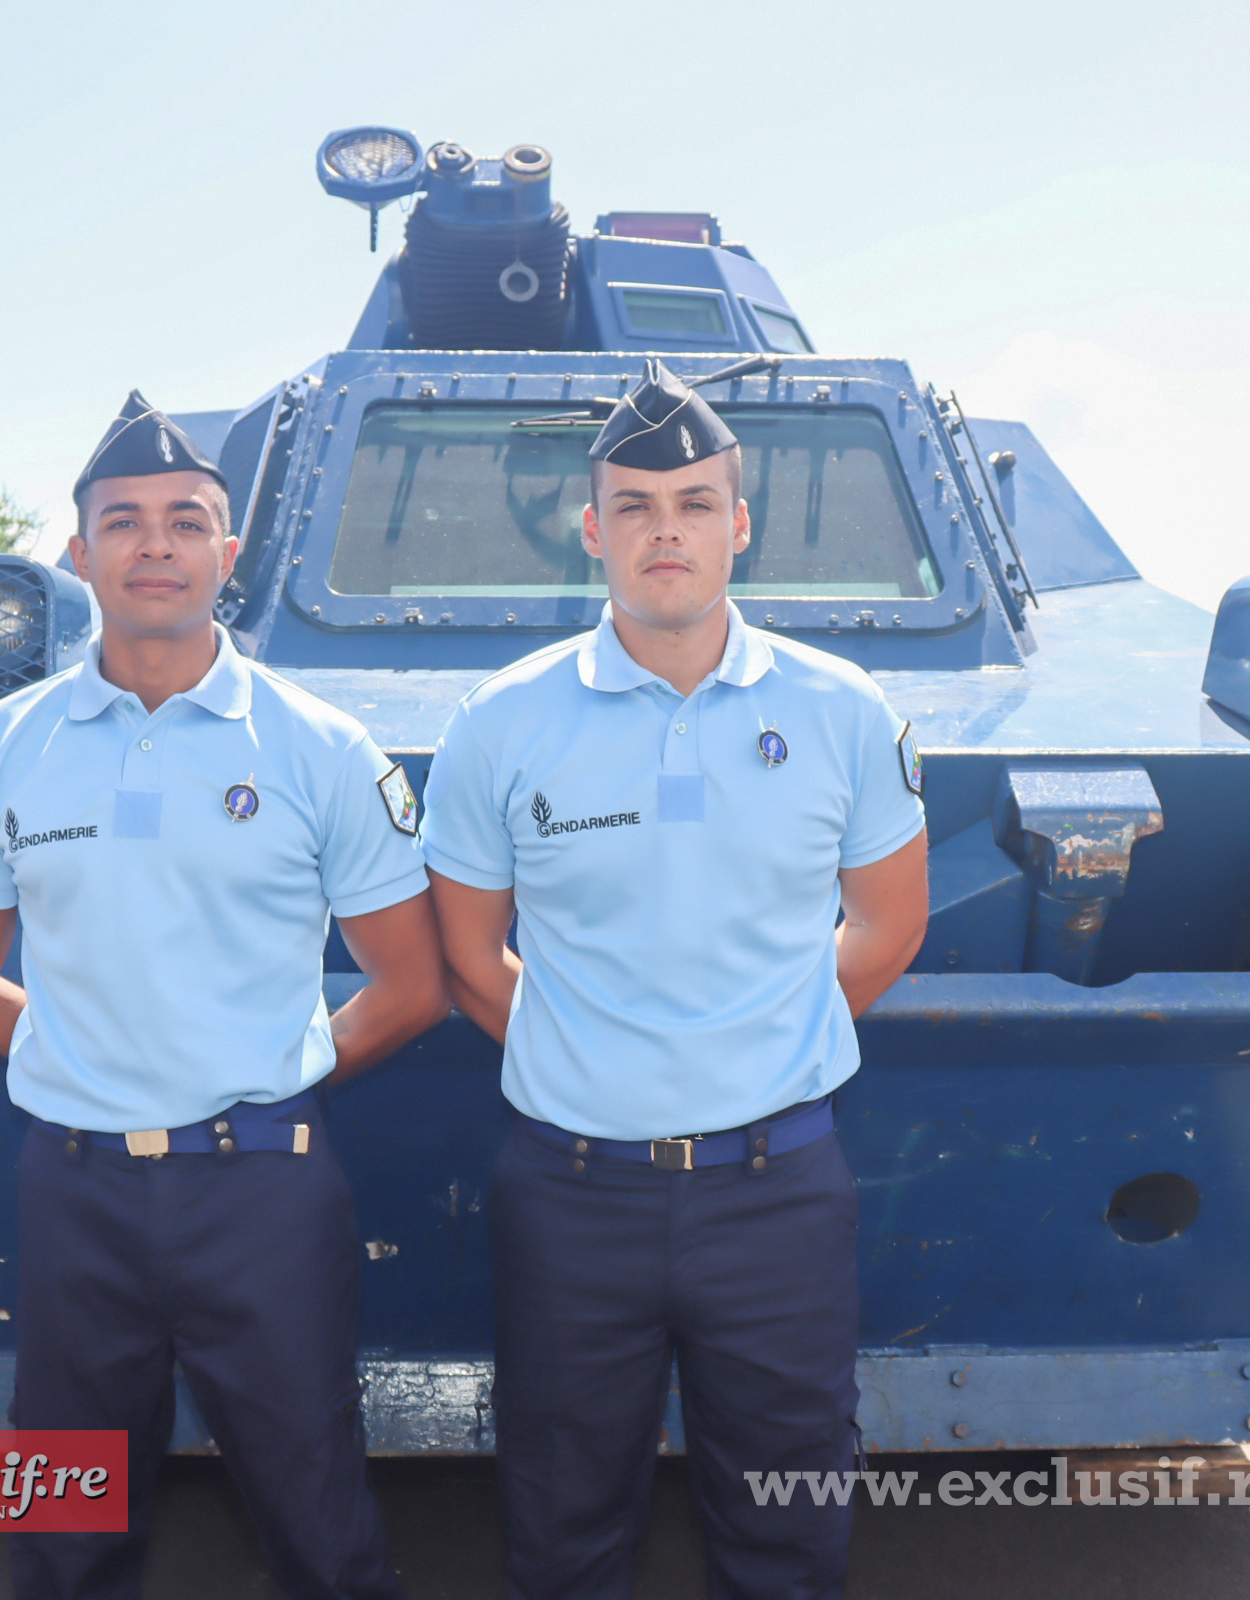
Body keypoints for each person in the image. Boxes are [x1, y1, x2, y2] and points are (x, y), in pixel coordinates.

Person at [0, 392, 449, 1600]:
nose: (154, 543)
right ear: (78, 553)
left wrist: (263, 1076)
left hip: (262, 1183)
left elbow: (410, 986)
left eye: (184, 520)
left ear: (229, 551)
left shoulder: (318, 745)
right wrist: (86, 1061)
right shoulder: (0, 745)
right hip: (76, 1181)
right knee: (66, 1508)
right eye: (123, 521)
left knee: (314, 1506)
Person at [421, 361, 929, 1600]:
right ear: (591, 530)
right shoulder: (502, 721)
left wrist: (754, 1046)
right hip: (571, 1188)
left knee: (785, 1512)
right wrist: (596, 1063)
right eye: (636, 505)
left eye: (695, 503)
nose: (666, 530)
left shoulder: (843, 710)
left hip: (778, 1190)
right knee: (562, 1510)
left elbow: (888, 924)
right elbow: (469, 955)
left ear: (738, 526)